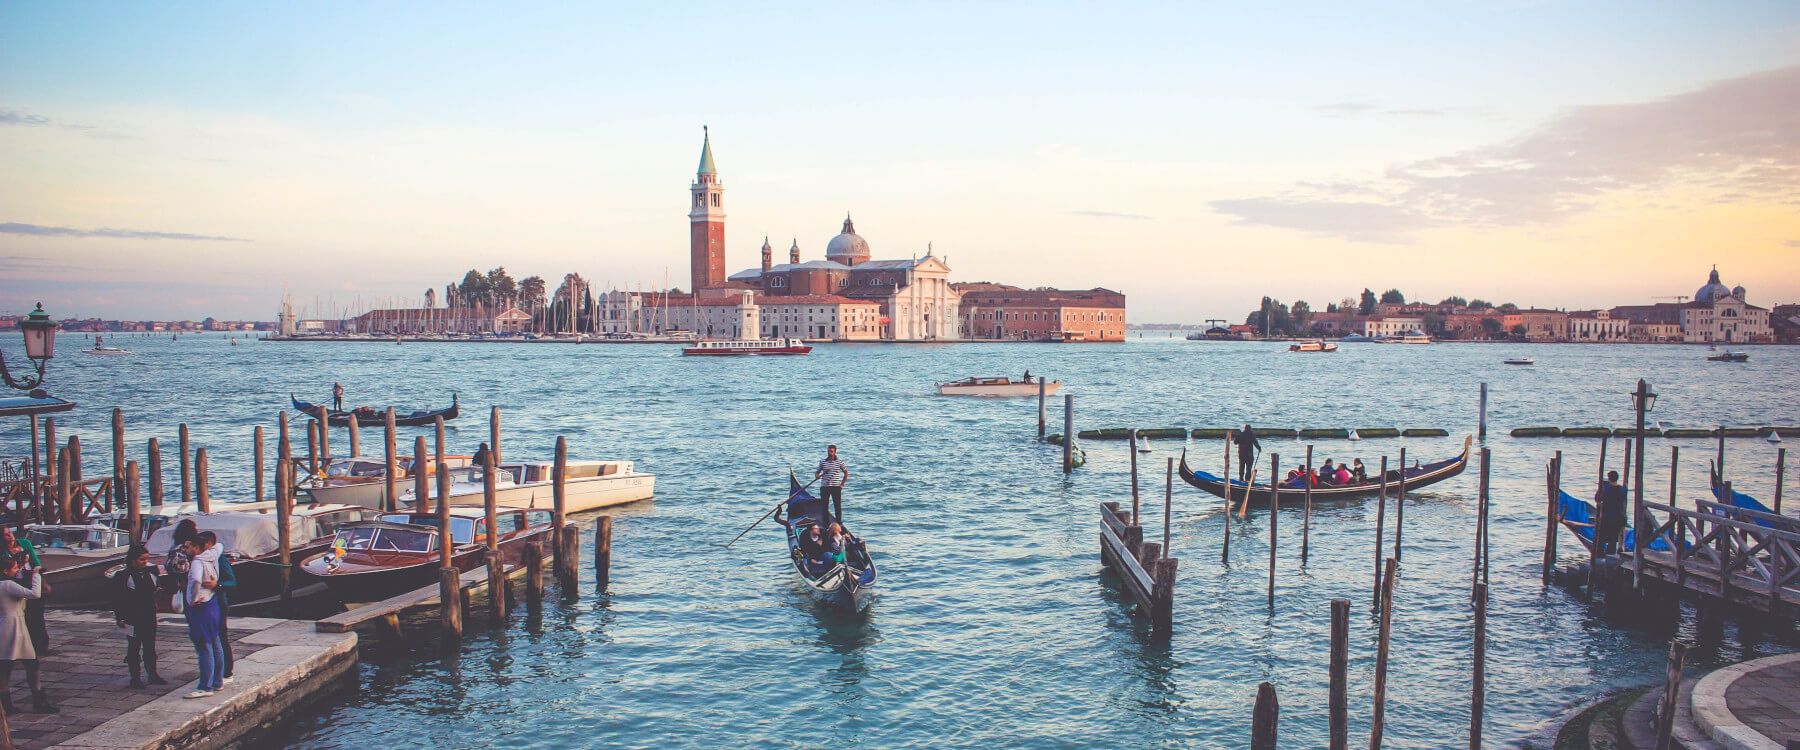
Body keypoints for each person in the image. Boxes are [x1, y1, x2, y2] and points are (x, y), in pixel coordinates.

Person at [0, 552, 54, 713]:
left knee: (5, 667)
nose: (17, 570)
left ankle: (7, 704)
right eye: (15, 568)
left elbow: (18, 581)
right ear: (5, 571)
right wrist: (36, 574)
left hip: (6, 625)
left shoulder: (4, 584)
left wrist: (22, 565)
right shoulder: (8, 585)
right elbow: (34, 594)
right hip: (15, 626)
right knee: (31, 664)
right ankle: (38, 701)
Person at [113, 544, 165, 688]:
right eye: (142, 559)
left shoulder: (151, 573)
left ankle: (152, 674)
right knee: (133, 648)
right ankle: (135, 678)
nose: (145, 562)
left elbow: (157, 591)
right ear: (133, 560)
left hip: (149, 616)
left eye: (146, 559)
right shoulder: (123, 576)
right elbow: (117, 599)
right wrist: (120, 617)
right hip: (132, 617)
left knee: (150, 647)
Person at [180, 537, 225, 699]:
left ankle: (205, 686)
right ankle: (218, 681)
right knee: (215, 642)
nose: (186, 549)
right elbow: (219, 545)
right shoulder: (213, 554)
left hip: (200, 607)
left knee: (203, 647)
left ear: (196, 547)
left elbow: (196, 580)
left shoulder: (197, 562)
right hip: (212, 603)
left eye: (188, 546)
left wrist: (191, 599)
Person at [3, 528, 47, 656]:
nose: (10, 536)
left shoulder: (25, 543)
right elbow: (6, 569)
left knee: (37, 614)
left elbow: (37, 563)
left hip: (31, 579)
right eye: (5, 535)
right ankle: (26, 647)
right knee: (26, 615)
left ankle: (41, 646)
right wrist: (21, 563)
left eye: (10, 532)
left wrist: (37, 574)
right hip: (16, 583)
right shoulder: (3, 551)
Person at [201, 531, 237, 684]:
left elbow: (232, 581)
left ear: (209, 544)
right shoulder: (202, 559)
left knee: (221, 637)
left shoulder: (220, 559)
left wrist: (218, 585)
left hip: (218, 603)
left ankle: (227, 672)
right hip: (206, 604)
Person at [1596, 471, 1627, 555]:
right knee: (1613, 539)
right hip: (1619, 517)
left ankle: (1600, 555)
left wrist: (1600, 488)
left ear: (1609, 478)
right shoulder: (1623, 490)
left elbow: (1597, 499)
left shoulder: (1605, 490)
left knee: (1601, 538)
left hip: (1607, 517)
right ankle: (1611, 555)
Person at [815, 445, 849, 522]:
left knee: (837, 506)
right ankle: (825, 523)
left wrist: (842, 484)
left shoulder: (839, 462)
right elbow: (817, 472)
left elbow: (846, 472)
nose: (829, 453)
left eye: (831, 451)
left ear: (835, 452)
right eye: (828, 451)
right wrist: (817, 476)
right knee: (824, 506)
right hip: (825, 487)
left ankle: (838, 523)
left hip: (836, 487)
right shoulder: (823, 462)